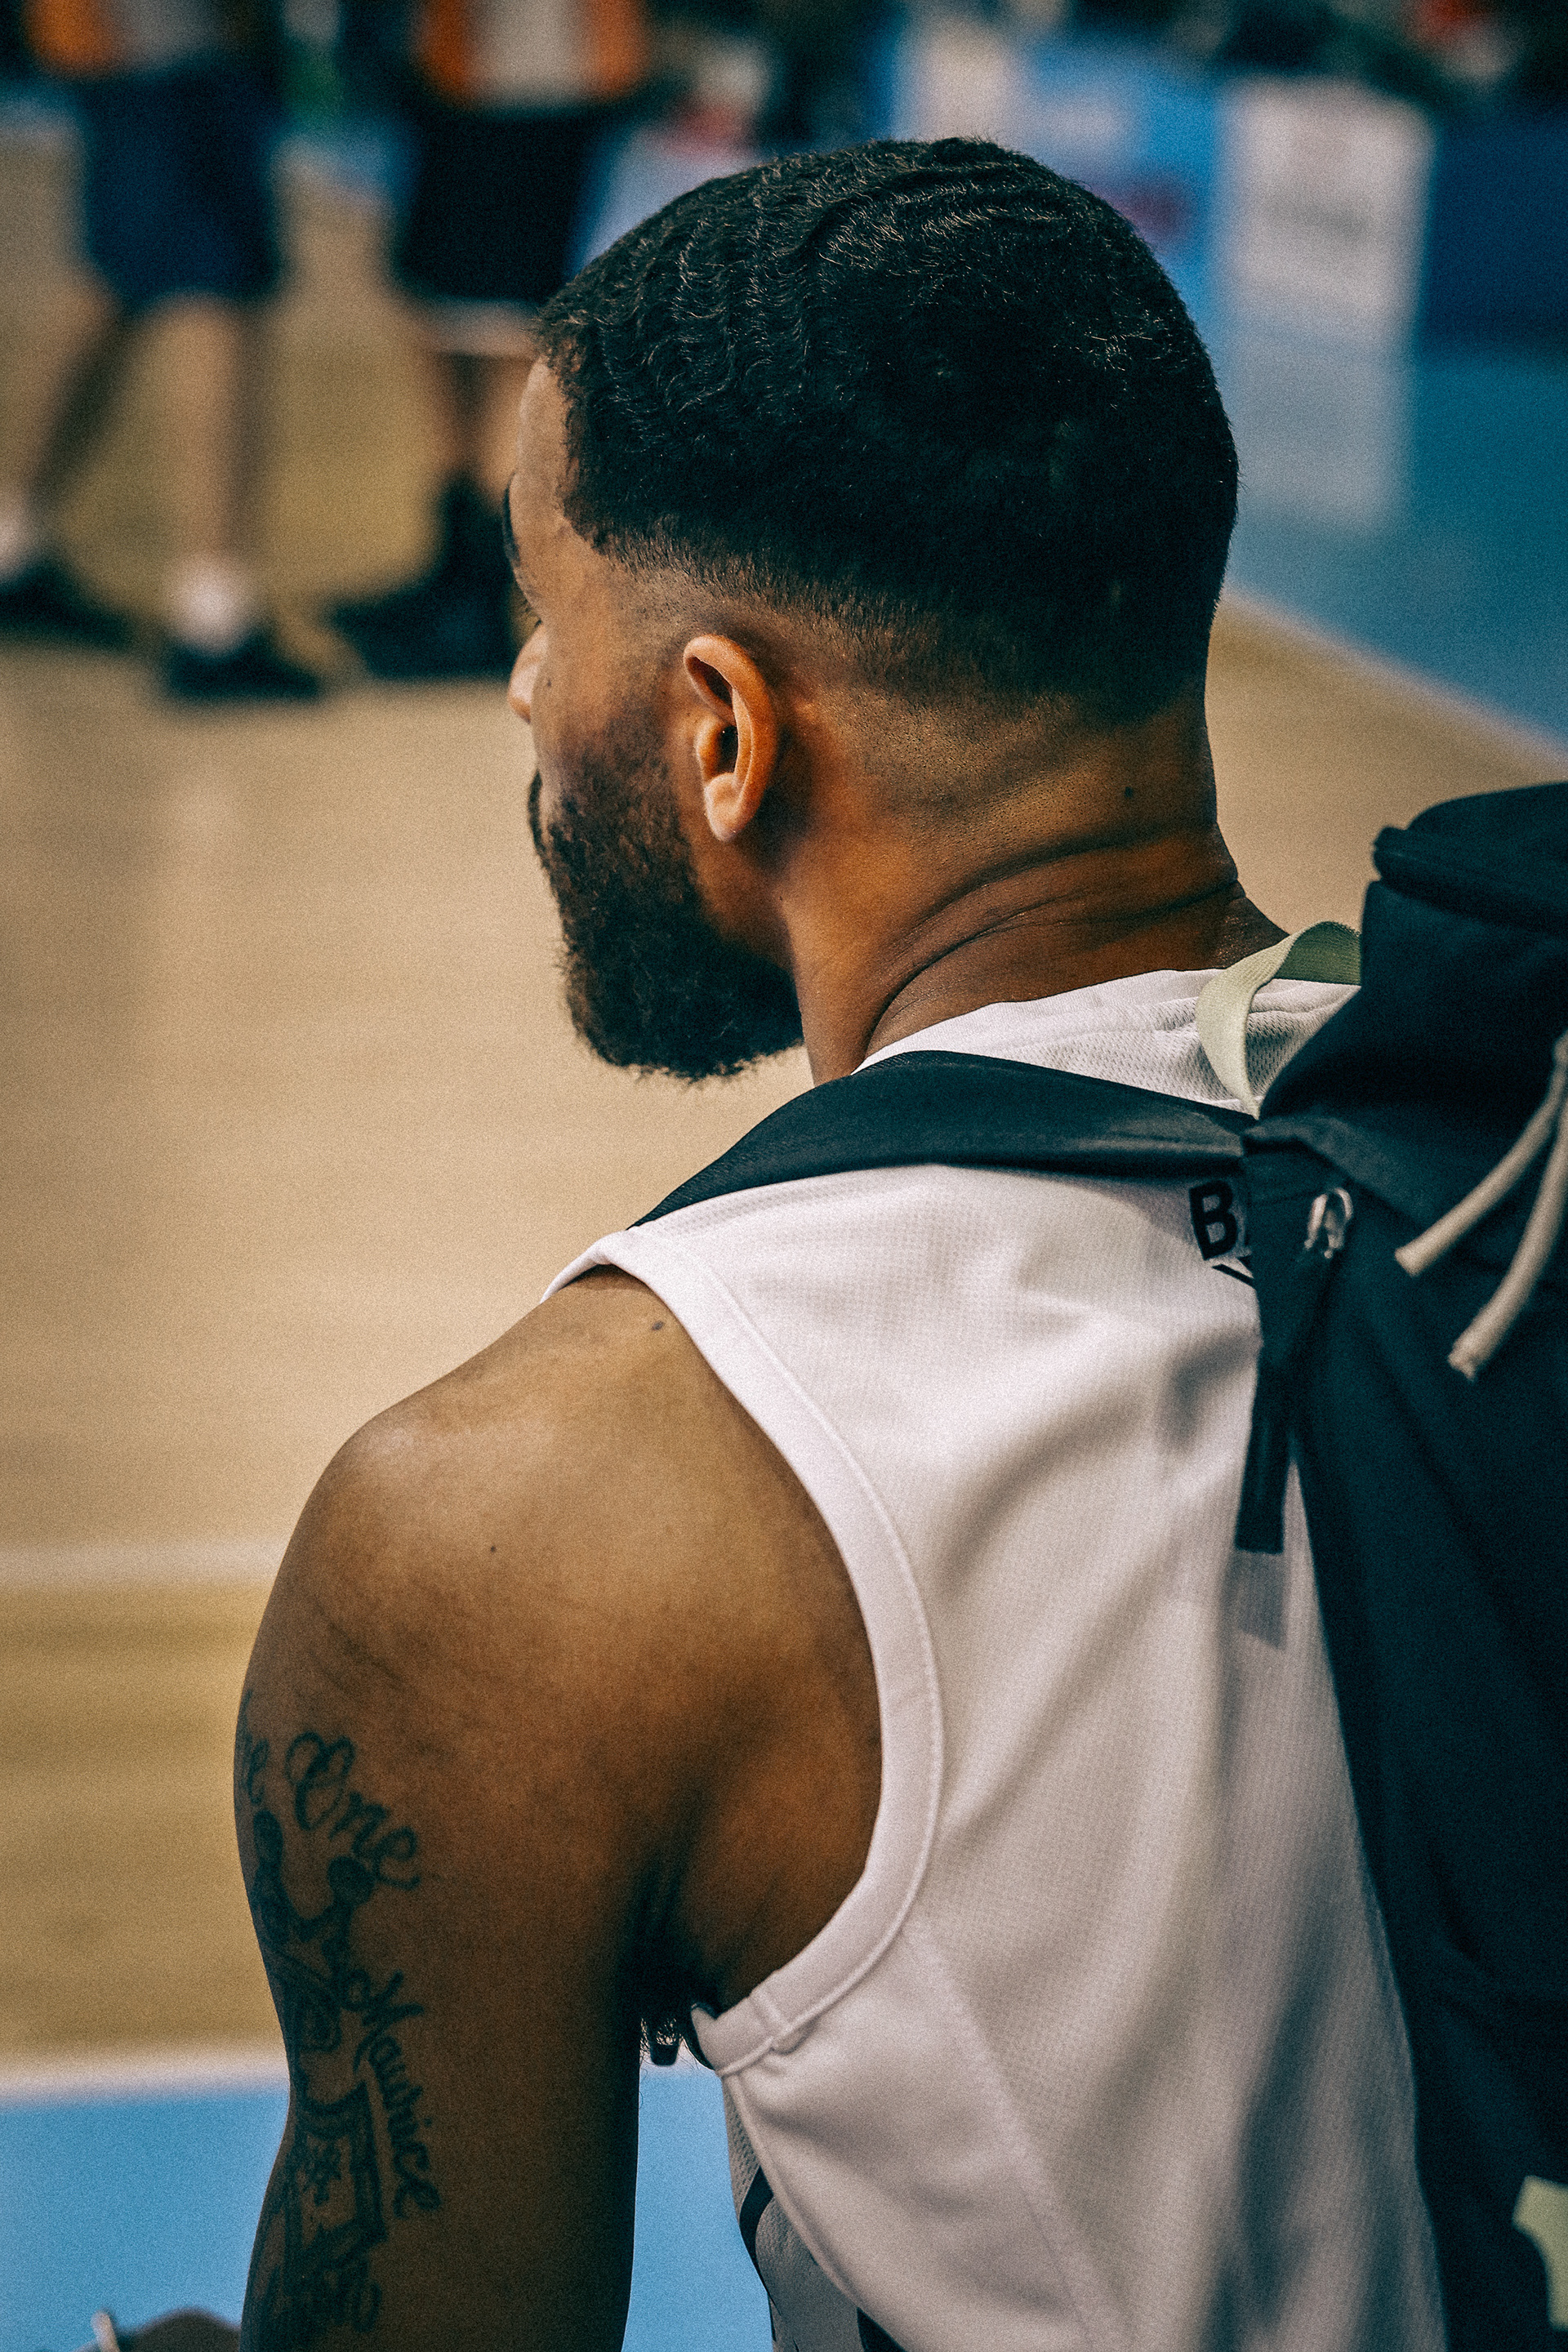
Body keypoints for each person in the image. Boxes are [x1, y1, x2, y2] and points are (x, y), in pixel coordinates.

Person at [232, 142, 1445, 2350]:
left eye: (544, 606)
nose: (524, 691)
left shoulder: (518, 1534)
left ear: (723, 729)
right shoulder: (1498, 1142)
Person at [0, 0, 320, 699]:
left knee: (123, 272)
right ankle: (214, 616)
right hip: (178, 43)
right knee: (213, 290)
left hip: (121, 42)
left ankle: (13, 542)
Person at [326, 0, 648, 680]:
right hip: (462, 76)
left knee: (505, 331)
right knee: (444, 316)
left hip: (531, 84)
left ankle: (479, 598)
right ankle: (455, 568)